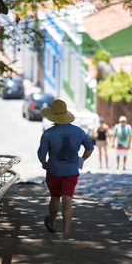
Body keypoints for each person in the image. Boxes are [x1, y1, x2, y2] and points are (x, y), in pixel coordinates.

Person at [37, 99, 94, 236]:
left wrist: (44, 163)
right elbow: (90, 148)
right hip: (71, 171)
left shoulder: (48, 134)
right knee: (68, 200)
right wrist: (81, 159)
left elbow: (41, 155)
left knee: (55, 198)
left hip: (54, 170)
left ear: (53, 116)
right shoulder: (78, 131)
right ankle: (66, 232)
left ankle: (51, 223)